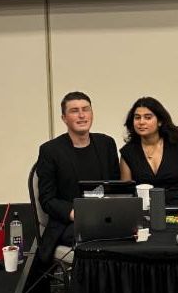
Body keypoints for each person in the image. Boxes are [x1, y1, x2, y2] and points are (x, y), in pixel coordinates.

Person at [34, 91, 120, 261]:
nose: (81, 115)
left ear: (92, 114)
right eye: (74, 111)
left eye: (85, 109)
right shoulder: (50, 151)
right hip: (70, 222)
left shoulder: (106, 144)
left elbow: (115, 186)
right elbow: (47, 200)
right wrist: (76, 213)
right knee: (102, 241)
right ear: (64, 118)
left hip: (106, 216)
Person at [119, 96, 178, 207]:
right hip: (146, 215)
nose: (141, 122)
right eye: (137, 118)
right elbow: (127, 194)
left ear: (159, 121)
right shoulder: (128, 153)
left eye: (148, 117)